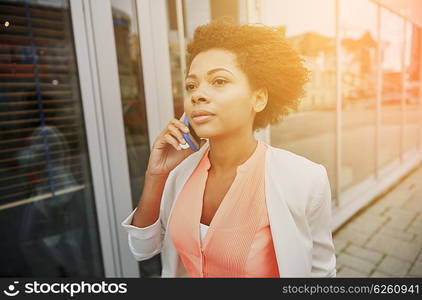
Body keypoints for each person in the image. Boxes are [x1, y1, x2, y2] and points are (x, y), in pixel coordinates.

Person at [121, 18, 336, 278]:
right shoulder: (180, 173)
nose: (197, 95)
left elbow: (321, 272)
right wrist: (156, 176)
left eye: (219, 81)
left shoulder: (305, 179)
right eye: (191, 85)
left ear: (258, 98)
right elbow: (142, 249)